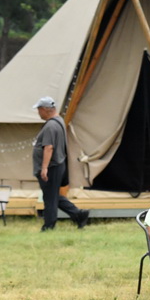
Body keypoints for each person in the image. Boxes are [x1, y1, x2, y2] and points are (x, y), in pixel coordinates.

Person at [32, 96, 90, 231]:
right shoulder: (59, 122)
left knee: (49, 198)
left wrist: (44, 168)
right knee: (53, 195)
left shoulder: (51, 126)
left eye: (39, 109)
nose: (38, 112)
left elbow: (48, 147)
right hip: (57, 165)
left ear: (46, 110)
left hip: (51, 166)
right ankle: (79, 215)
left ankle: (49, 225)